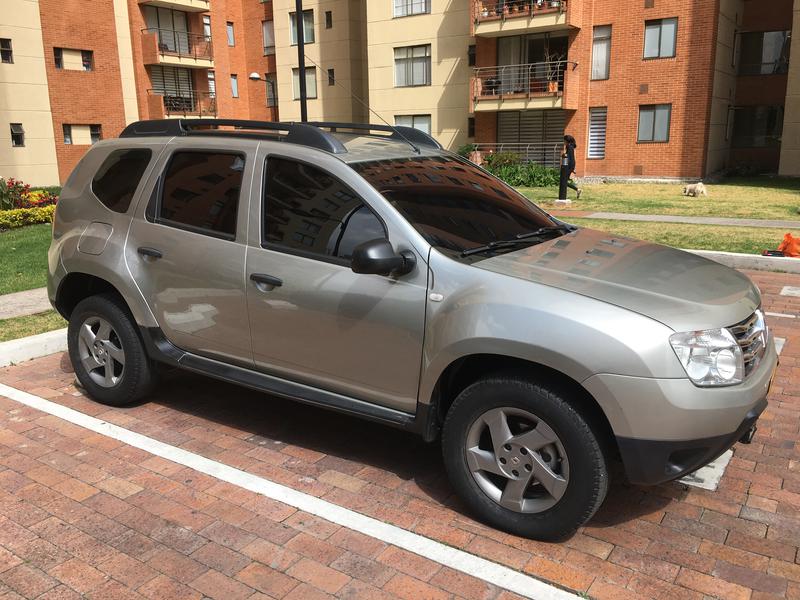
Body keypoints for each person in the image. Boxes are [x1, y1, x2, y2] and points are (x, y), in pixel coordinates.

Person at [562, 134, 582, 199]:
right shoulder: (571, 146)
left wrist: (567, 166)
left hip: (569, 165)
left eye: (564, 141)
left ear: (567, 141)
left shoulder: (568, 146)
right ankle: (575, 190)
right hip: (571, 164)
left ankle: (577, 189)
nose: (564, 142)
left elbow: (569, 157)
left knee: (564, 181)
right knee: (565, 180)